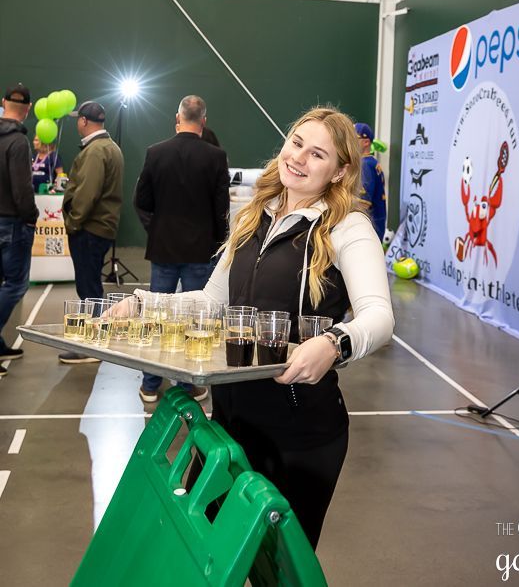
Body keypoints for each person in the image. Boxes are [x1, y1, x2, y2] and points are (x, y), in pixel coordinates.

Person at [130, 106, 394, 547]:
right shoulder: (252, 217)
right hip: (228, 428)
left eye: (317, 155)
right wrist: (144, 305)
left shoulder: (348, 227)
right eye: (296, 143)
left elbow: (379, 316)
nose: (299, 159)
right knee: (203, 555)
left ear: (339, 170)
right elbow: (212, 302)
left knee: (278, 570)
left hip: (300, 434)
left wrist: (334, 343)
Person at [134, 95, 230, 403]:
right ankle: (189, 385)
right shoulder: (216, 157)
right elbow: (221, 210)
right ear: (204, 120)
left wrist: (158, 230)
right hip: (200, 251)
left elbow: (142, 202)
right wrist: (217, 244)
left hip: (163, 249)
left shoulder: (155, 153)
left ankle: (150, 383)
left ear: (178, 117)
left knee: (154, 313)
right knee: (195, 318)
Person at [59, 101, 124, 364]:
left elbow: (87, 193)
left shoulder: (96, 151)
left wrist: (73, 223)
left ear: (84, 121)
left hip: (89, 229)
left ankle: (92, 347)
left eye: (78, 119)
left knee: (89, 290)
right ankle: (95, 343)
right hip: (100, 228)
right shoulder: (109, 147)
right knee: (92, 288)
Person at [0, 83, 39, 376]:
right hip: (12, 223)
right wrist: (31, 217)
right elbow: (22, 189)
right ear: (27, 109)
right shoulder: (18, 143)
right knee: (15, 286)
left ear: (3, 103)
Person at [355, 122, 387, 242]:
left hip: (368, 230)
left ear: (366, 142)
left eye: (354, 138)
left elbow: (362, 204)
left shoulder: (365, 164)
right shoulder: (371, 162)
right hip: (375, 226)